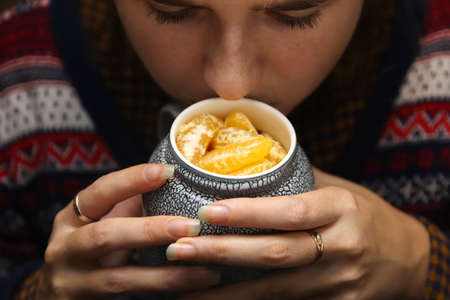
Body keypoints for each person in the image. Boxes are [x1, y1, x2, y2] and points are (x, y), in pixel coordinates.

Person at [0, 0, 448, 299]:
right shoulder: (20, 78)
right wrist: (42, 291)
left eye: (296, 11)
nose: (230, 84)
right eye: (172, 8)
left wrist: (422, 263)